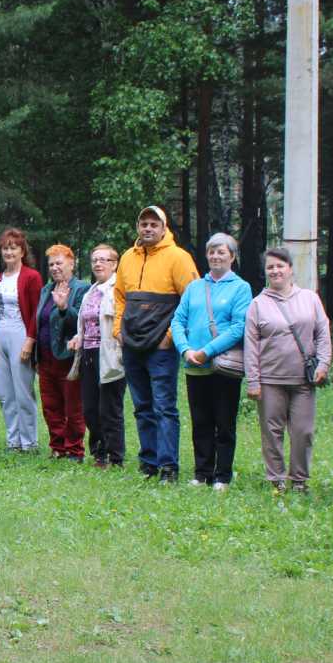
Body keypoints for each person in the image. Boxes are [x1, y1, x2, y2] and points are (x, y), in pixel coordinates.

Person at [114, 205, 200, 481]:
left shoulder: (179, 257)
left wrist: (170, 338)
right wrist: (118, 330)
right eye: (144, 224)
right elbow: (119, 297)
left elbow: (191, 300)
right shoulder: (127, 257)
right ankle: (148, 462)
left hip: (161, 345)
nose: (148, 228)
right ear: (138, 227)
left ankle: (168, 465)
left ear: (164, 228)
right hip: (131, 343)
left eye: (154, 224)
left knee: (164, 406)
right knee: (142, 406)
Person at [243, 247, 329, 492]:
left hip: (303, 379)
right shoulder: (257, 304)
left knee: (303, 431)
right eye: (270, 267)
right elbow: (251, 345)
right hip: (270, 380)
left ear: (290, 269)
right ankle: (276, 479)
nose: (275, 271)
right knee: (272, 432)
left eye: (280, 266)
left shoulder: (310, 298)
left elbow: (323, 333)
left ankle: (299, 480)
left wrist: (323, 363)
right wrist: (253, 381)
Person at [171, 233, 252, 488]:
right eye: (212, 252)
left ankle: (222, 475)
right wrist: (185, 350)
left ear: (232, 257)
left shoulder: (241, 288)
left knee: (224, 423)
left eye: (221, 252)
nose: (216, 256)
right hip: (193, 365)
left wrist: (207, 351)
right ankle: (202, 472)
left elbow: (239, 327)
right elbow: (177, 321)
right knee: (200, 421)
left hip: (223, 366)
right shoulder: (195, 287)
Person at [0, 228, 45, 453]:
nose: (9, 252)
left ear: (22, 251)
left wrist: (30, 340)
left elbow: (36, 312)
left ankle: (29, 442)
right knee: (5, 393)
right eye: (5, 248)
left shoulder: (32, 276)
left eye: (13, 248)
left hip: (20, 333)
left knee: (23, 391)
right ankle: (13, 440)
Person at [74, 243, 126, 468]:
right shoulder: (91, 290)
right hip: (87, 354)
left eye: (104, 260)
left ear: (115, 264)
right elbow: (85, 323)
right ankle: (98, 452)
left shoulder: (118, 289)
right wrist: (77, 338)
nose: (98, 264)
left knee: (110, 408)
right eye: (95, 260)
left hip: (110, 354)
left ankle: (115, 457)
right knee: (90, 408)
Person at [34, 244, 89, 459]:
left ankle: (74, 449)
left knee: (73, 406)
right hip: (45, 358)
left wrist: (65, 307)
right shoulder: (46, 290)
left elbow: (82, 323)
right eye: (51, 264)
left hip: (68, 358)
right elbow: (40, 321)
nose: (54, 267)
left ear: (71, 264)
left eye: (59, 263)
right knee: (50, 406)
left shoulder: (82, 288)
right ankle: (58, 447)